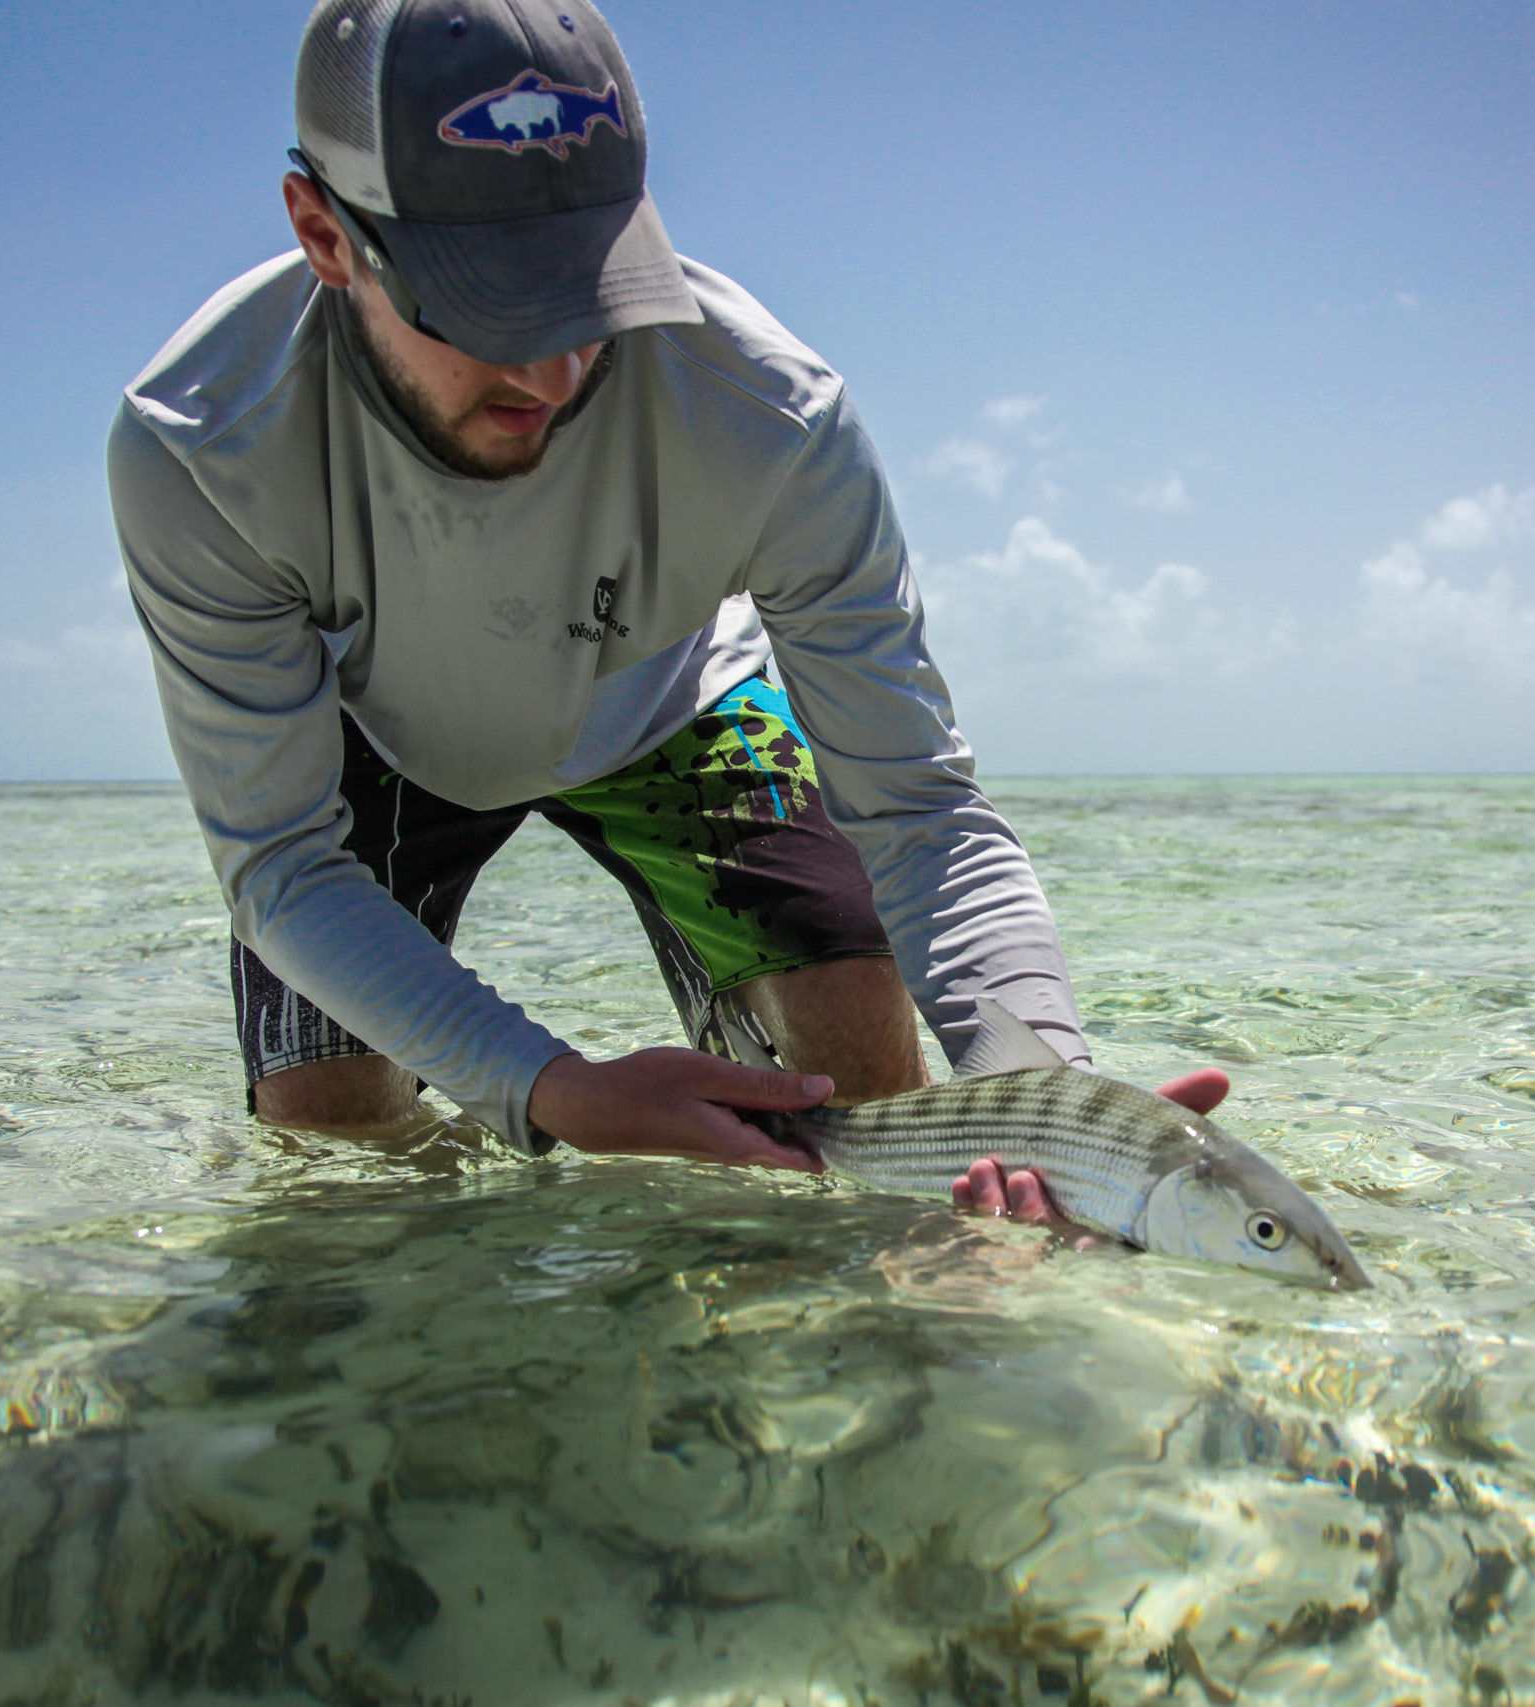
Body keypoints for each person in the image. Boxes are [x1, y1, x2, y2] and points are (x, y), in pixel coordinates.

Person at [108, 0, 1224, 1227]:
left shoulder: (773, 419)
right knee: (340, 1170)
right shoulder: (200, 449)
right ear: (326, 234)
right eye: (481, 306)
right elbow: (279, 861)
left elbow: (919, 807)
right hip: (371, 731)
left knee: (857, 1090)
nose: (549, 372)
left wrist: (1053, 1106)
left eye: (587, 292)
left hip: (671, 698)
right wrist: (551, 1088)